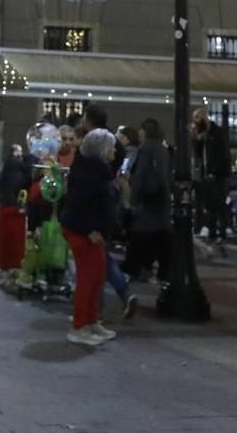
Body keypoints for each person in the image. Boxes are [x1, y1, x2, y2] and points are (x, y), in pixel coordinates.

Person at [59, 127, 120, 347]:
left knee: (97, 276)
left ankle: (92, 321)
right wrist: (91, 230)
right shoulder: (90, 172)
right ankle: (80, 326)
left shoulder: (94, 169)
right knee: (88, 279)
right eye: (111, 147)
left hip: (91, 232)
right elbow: (80, 205)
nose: (114, 151)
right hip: (85, 232)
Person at [123, 118, 171, 283]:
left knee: (139, 236)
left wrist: (133, 198)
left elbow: (141, 175)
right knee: (161, 238)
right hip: (160, 200)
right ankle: (160, 271)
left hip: (147, 199)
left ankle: (136, 268)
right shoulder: (162, 149)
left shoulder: (145, 149)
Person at [191, 107, 232, 241]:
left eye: (197, 117)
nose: (195, 121)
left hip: (218, 176)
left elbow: (223, 155)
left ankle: (222, 233)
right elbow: (198, 154)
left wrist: (215, 171)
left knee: (219, 204)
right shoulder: (202, 134)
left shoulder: (217, 132)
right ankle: (212, 232)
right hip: (206, 174)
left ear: (204, 116)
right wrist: (195, 138)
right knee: (209, 206)